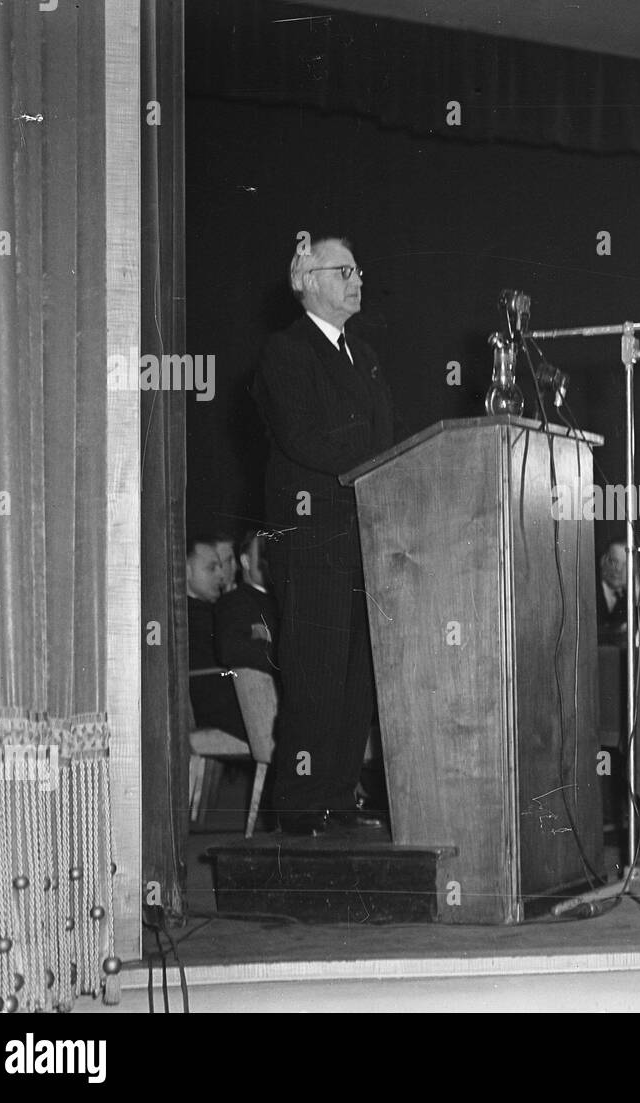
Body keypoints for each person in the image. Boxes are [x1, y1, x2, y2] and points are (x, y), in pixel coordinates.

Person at [251, 235, 394, 836]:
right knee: (314, 674)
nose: (357, 281)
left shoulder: (365, 354)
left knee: (356, 678)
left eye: (358, 271)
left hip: (365, 539)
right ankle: (300, 807)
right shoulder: (285, 352)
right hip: (313, 541)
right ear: (307, 281)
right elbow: (305, 438)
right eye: (343, 271)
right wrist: (377, 455)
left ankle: (338, 797)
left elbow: (387, 436)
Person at [186, 534, 247, 739]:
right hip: (218, 711)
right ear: (186, 571)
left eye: (221, 567)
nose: (222, 575)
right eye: (211, 568)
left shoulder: (213, 610)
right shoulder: (192, 617)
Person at [214, 530, 280, 677]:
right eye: (264, 555)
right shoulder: (234, 602)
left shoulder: (283, 599)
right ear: (246, 561)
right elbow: (230, 648)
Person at [597, 540, 640, 633]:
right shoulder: (589, 589)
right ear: (602, 561)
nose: (618, 569)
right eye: (614, 561)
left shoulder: (629, 594)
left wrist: (636, 586)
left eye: (626, 564)